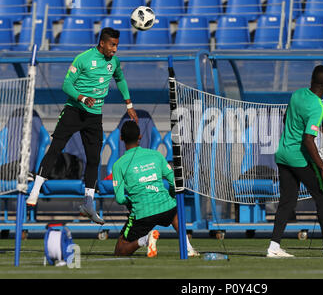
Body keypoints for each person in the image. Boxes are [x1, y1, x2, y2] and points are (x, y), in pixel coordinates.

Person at [26, 27, 138, 225]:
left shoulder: (114, 61)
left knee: (94, 159)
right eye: (112, 45)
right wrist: (82, 97)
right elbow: (66, 84)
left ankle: (88, 204)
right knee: (55, 149)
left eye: (117, 46)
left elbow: (120, 79)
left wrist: (129, 104)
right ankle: (35, 190)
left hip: (94, 117)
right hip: (74, 111)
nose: (114, 49)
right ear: (102, 43)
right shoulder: (83, 58)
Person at [267, 65, 323, 258]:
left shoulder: (297, 94)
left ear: (311, 79)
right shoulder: (317, 106)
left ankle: (274, 246)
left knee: (287, 202)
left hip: (283, 154)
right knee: (322, 198)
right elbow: (308, 139)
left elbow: (287, 118)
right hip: (298, 158)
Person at [113, 121, 199, 257]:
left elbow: (119, 198)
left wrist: (129, 202)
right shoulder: (156, 155)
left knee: (119, 251)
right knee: (174, 210)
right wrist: (171, 195)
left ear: (121, 138)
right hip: (165, 207)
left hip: (142, 213)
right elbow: (174, 182)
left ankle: (144, 240)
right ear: (140, 137)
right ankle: (188, 247)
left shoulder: (118, 165)